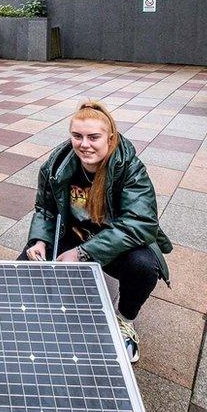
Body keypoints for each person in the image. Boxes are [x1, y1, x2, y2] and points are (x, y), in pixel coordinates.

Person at [20, 100, 172, 363]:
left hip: (110, 243)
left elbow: (141, 223)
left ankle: (125, 319)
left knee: (144, 267)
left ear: (110, 138)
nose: (84, 144)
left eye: (93, 137)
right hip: (72, 234)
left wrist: (82, 253)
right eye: (77, 136)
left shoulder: (130, 168)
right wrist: (39, 240)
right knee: (26, 266)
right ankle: (41, 316)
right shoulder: (57, 165)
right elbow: (44, 207)